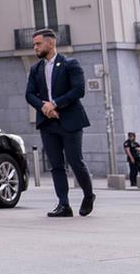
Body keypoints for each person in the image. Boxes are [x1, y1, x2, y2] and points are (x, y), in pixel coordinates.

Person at [26, 28, 96, 218]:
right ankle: (63, 205)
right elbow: (29, 94)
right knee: (56, 165)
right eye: (34, 45)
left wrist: (55, 104)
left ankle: (89, 195)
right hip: (48, 123)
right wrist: (44, 107)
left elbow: (79, 90)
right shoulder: (35, 69)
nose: (35, 48)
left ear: (51, 43)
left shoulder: (70, 64)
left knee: (75, 161)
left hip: (70, 120)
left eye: (38, 44)